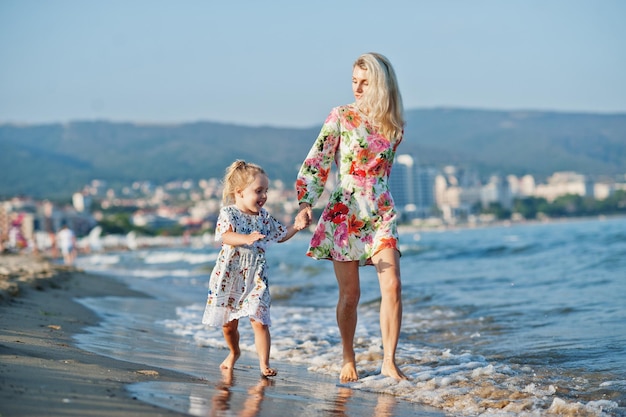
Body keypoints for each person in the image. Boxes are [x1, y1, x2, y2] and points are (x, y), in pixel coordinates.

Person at [294, 52, 407, 383]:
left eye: (365, 82)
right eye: (354, 82)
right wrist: (306, 202)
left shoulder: (394, 125)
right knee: (351, 295)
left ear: (380, 84)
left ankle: (389, 361)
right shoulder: (341, 116)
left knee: (394, 285)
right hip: (346, 211)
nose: (358, 88)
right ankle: (348, 356)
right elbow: (318, 160)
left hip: (381, 210)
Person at [202, 160, 302, 377]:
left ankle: (264, 364)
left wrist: (296, 226)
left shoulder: (264, 217)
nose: (264, 196)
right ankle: (234, 352)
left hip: (256, 276)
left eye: (266, 191)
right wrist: (246, 238)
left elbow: (280, 235)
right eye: (258, 191)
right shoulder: (229, 213)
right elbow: (226, 236)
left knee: (260, 320)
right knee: (229, 325)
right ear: (239, 192)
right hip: (230, 275)